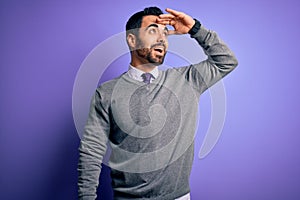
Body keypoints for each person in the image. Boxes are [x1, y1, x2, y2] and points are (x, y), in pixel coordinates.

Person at [78, 6, 238, 200]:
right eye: (153, 30)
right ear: (132, 40)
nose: (162, 38)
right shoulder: (106, 93)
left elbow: (227, 61)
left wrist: (195, 29)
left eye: (165, 33)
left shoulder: (187, 80)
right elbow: (91, 151)